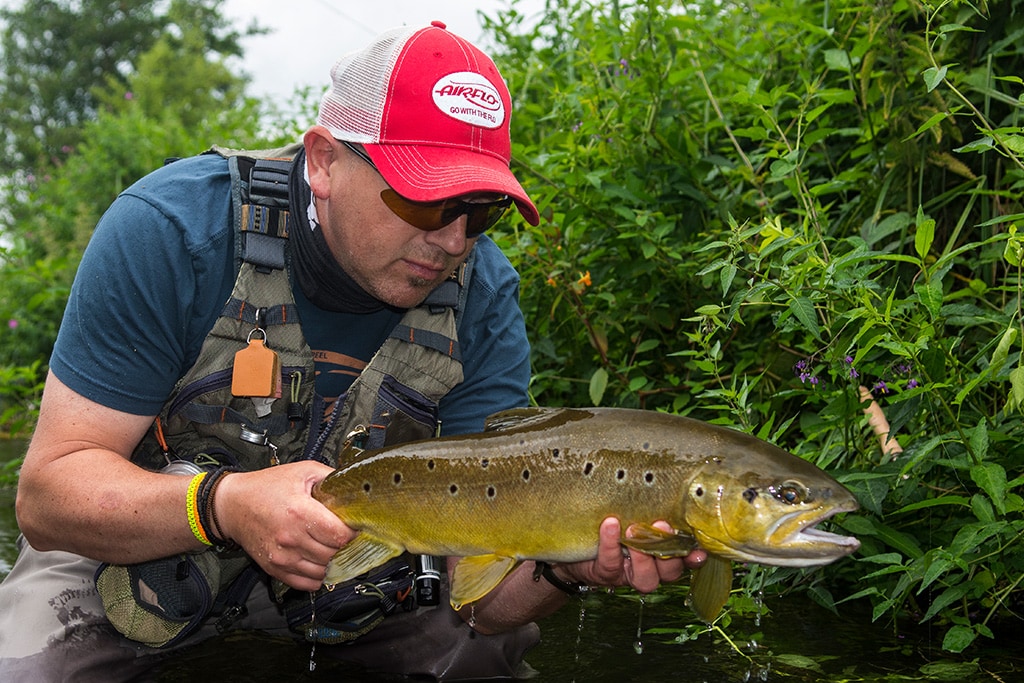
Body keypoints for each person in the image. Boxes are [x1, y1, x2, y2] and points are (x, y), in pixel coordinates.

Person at [0, 21, 704, 682]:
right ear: (324, 162)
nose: (453, 241)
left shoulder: (484, 296)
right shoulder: (174, 232)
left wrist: (568, 567)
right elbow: (46, 496)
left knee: (483, 654)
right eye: (426, 201)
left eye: (480, 212)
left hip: (353, 573)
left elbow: (480, 598)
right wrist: (224, 504)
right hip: (137, 544)